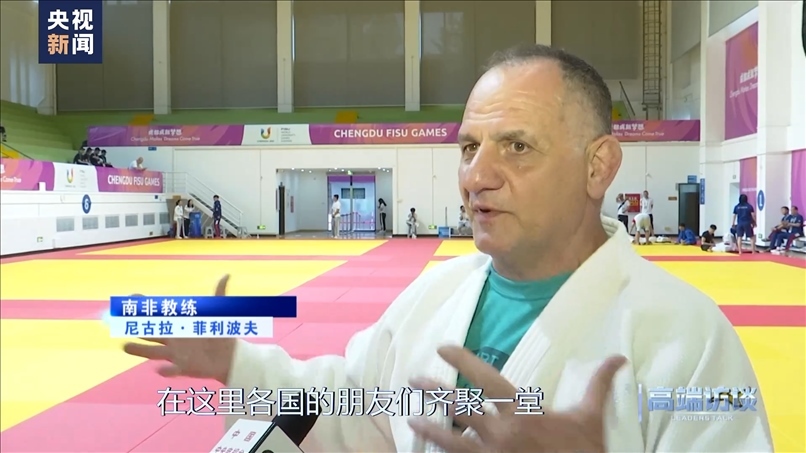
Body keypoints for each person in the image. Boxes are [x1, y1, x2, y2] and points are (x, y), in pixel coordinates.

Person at [124, 44, 771, 452]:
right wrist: (242, 365)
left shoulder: (687, 337)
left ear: (598, 166)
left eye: (516, 146)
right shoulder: (436, 293)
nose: (476, 175)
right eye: (468, 147)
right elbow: (353, 402)